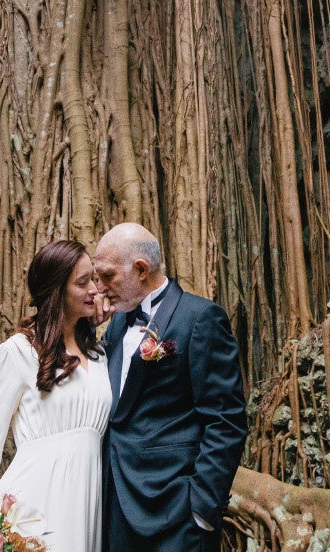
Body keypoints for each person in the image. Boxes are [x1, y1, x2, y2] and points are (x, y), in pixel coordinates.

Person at [94, 223, 247, 552]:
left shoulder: (200, 318)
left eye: (108, 276)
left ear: (141, 270)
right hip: (116, 505)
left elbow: (226, 419)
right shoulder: (117, 322)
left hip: (175, 511)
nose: (99, 288)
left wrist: (202, 509)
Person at [0, 239, 113, 552]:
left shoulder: (100, 355)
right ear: (57, 291)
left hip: (86, 503)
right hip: (32, 506)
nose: (94, 290)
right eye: (82, 283)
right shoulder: (18, 352)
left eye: (93, 280)